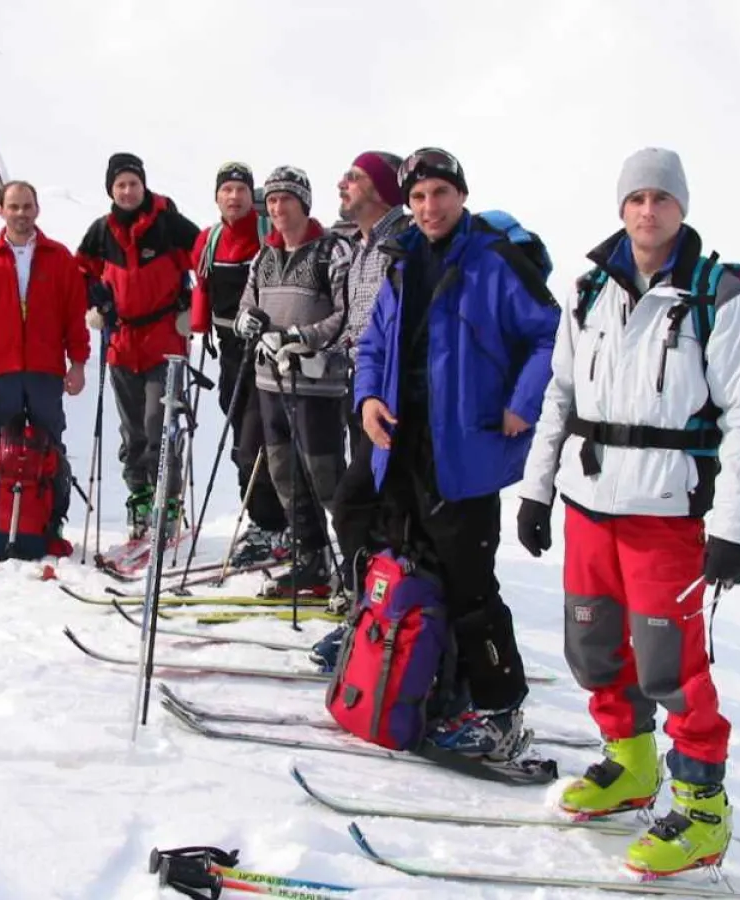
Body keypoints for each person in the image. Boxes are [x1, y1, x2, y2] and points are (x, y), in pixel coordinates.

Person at [517, 148, 740, 875]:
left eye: (661, 198)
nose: (647, 210)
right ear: (621, 207)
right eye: (636, 197)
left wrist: (733, 528)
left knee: (673, 666)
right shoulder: (588, 289)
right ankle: (629, 762)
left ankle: (702, 811)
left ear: (681, 208)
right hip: (589, 504)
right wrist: (538, 491)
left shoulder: (718, 298)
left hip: (668, 513)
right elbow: (559, 399)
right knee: (592, 648)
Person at [352, 148, 560, 760]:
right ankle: (434, 684)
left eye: (440, 194)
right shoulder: (401, 262)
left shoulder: (493, 260)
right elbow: (372, 342)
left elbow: (550, 332)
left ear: (461, 196)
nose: (428, 207)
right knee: (414, 566)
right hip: (402, 444)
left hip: (465, 450)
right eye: (417, 197)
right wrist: (367, 398)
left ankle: (500, 710)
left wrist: (523, 401)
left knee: (471, 589)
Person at [234, 166, 351, 596]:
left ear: (304, 202)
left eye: (286, 198)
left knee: (325, 475)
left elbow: (346, 314)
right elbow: (247, 303)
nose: (277, 207)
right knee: (284, 473)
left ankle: (355, 562)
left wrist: (303, 337)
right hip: (269, 381)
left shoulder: (331, 252)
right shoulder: (264, 257)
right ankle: (310, 558)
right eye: (272, 200)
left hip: (316, 383)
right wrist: (248, 322)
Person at [0, 180, 90, 538]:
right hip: (1, 371)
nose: (21, 214)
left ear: (37, 210)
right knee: (0, 446)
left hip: (46, 371)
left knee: (52, 448)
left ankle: (49, 521)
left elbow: (73, 316)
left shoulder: (59, 258)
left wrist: (77, 362)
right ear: (0, 210)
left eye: (27, 206)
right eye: (13, 207)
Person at [77, 153, 200, 540]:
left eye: (133, 183)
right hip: (121, 342)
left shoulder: (170, 224)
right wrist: (94, 303)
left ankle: (169, 501)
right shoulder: (102, 230)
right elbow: (79, 273)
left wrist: (192, 308)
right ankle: (141, 499)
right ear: (111, 190)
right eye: (120, 185)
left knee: (158, 425)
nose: (127, 191)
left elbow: (207, 263)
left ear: (143, 185)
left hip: (165, 339)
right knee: (132, 431)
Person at [190, 162, 288, 566]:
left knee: (256, 442)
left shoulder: (269, 234)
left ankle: (272, 522)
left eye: (241, 190)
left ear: (253, 196)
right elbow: (202, 287)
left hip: (265, 352)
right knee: (241, 443)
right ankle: (263, 520)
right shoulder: (208, 240)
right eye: (227, 190)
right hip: (228, 353)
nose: (234, 197)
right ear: (217, 197)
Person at [331, 150, 410, 597]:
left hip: (389, 394)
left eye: (354, 177)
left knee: (355, 501)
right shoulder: (361, 245)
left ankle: (369, 600)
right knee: (371, 503)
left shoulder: (401, 241)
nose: (342, 184)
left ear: (381, 190)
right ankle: (374, 599)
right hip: (359, 387)